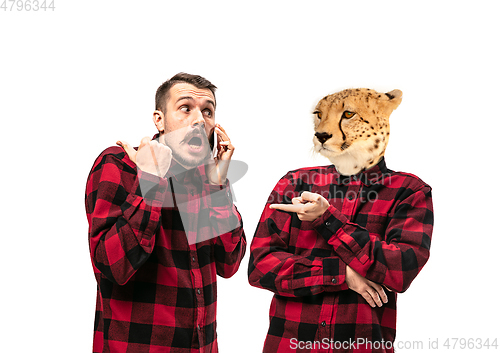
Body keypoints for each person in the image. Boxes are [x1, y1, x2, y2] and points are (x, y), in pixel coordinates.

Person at [85, 73, 246, 352]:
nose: (199, 120)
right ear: (159, 120)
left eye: (208, 111)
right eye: (186, 108)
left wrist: (218, 183)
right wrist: (152, 180)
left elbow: (229, 263)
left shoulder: (206, 182)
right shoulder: (120, 165)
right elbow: (113, 267)